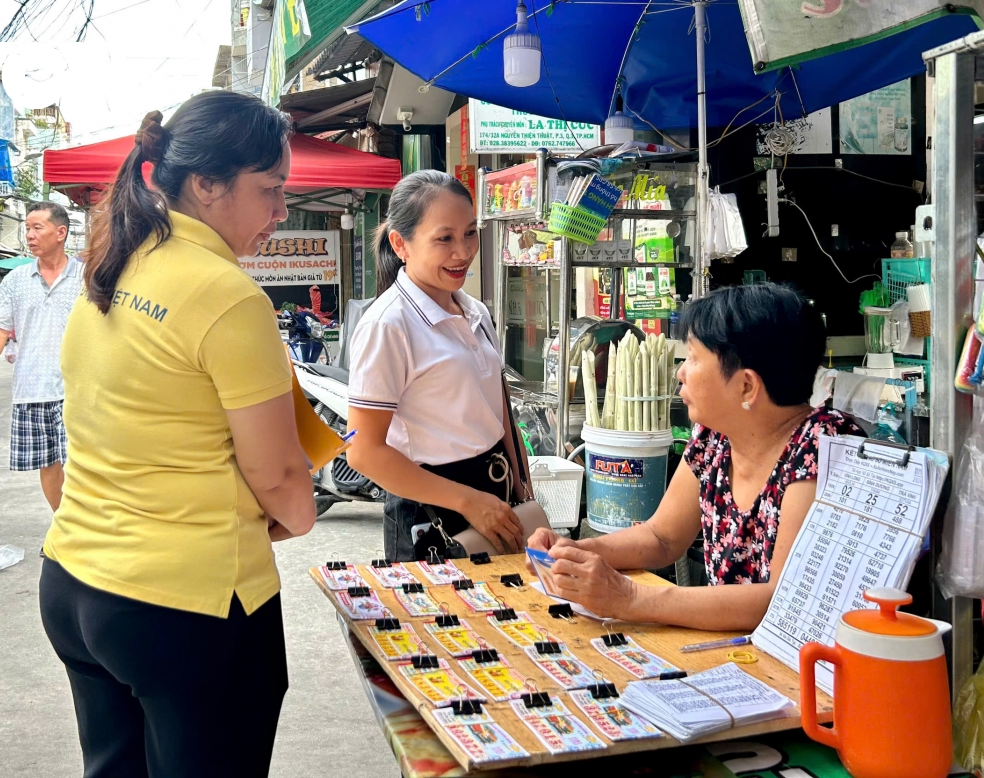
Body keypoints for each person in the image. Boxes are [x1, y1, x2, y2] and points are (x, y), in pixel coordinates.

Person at [38, 93, 316, 778]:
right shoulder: (227, 295)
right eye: (271, 191)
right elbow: (281, 479)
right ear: (206, 184)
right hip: (185, 607)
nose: (281, 212)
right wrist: (294, 515)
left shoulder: (111, 266)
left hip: (76, 583)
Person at [527, 284, 864, 632]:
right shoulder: (715, 438)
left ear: (746, 386)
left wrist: (627, 597)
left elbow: (779, 600)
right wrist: (573, 552)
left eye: (693, 357)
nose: (680, 373)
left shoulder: (824, 450)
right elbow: (661, 537)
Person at [346, 170, 525, 562]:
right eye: (444, 238)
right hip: (429, 513)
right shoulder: (387, 325)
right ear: (401, 244)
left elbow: (500, 409)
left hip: (497, 494)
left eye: (470, 232)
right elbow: (363, 452)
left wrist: (522, 488)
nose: (463, 251)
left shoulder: (473, 309)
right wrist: (467, 501)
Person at [0, 201, 82, 512]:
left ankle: (85, 529)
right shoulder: (16, 280)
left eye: (37, 227)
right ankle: (62, 527)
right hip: (32, 387)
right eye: (27, 228)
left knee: (83, 465)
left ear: (61, 232)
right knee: (48, 464)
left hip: (80, 390)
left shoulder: (87, 277)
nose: (29, 235)